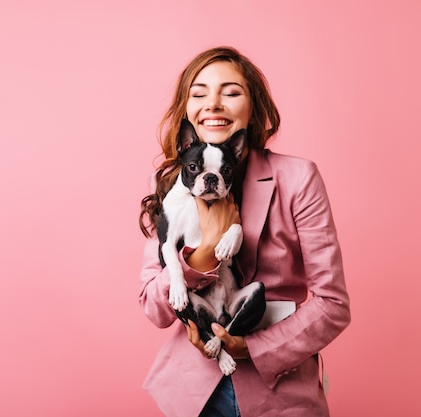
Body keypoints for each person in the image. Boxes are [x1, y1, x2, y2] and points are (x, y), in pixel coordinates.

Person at [138, 46, 351, 417]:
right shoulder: (176, 186)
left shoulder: (298, 177)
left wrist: (254, 348)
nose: (214, 104)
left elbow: (333, 305)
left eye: (231, 92)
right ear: (186, 109)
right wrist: (200, 257)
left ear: (255, 108)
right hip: (193, 392)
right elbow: (154, 309)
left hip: (280, 392)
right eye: (199, 93)